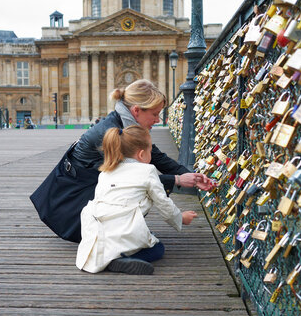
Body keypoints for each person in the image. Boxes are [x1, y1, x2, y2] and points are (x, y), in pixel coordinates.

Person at [30, 79, 212, 243]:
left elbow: (154, 155)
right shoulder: (111, 133)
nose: (157, 120)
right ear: (136, 110)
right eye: (155, 114)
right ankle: (118, 240)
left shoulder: (124, 123)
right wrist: (178, 181)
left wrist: (187, 174)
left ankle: (121, 233)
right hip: (74, 201)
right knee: (141, 189)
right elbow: (132, 180)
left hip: (85, 188)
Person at [76, 126, 197, 275]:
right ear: (141, 154)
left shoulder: (106, 172)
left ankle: (105, 255)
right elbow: (164, 204)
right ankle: (119, 259)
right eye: (150, 151)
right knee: (158, 248)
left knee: (130, 233)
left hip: (97, 227)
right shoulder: (148, 171)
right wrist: (181, 218)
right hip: (124, 227)